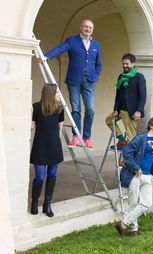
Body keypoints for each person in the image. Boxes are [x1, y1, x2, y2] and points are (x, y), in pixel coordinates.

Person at [45, 19, 102, 149]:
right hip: (74, 80)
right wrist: (47, 57)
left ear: (92, 30)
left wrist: (95, 76)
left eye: (90, 27)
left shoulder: (96, 45)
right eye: (86, 27)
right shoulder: (72, 40)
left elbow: (99, 63)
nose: (88, 29)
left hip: (89, 81)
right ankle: (76, 136)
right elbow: (60, 49)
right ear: (81, 27)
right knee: (76, 109)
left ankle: (87, 137)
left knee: (91, 109)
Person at [30, 83, 64, 218]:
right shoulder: (36, 107)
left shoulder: (59, 109)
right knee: (39, 176)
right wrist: (29, 113)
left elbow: (60, 129)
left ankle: (47, 204)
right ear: (50, 94)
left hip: (54, 146)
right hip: (40, 146)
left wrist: (56, 143)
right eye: (58, 93)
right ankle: (35, 202)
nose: (60, 95)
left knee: (52, 175)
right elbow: (32, 127)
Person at [105, 53, 146, 148]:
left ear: (133, 64)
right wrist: (116, 109)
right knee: (109, 120)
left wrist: (139, 111)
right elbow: (118, 95)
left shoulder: (139, 77)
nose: (124, 65)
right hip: (121, 110)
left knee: (131, 137)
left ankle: (128, 160)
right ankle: (121, 140)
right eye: (123, 63)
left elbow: (143, 96)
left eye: (127, 64)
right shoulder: (121, 77)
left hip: (131, 112)